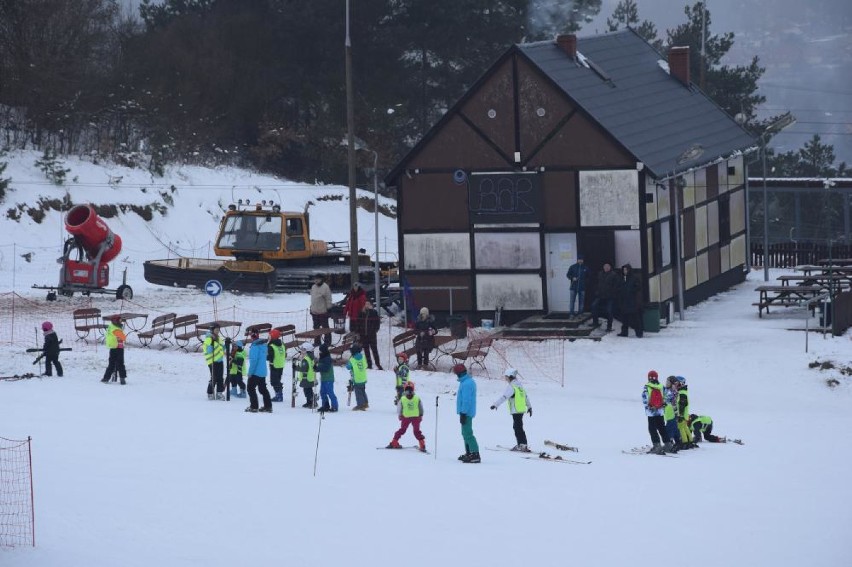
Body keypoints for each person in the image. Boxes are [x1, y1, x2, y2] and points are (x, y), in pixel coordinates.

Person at [490, 368, 532, 452]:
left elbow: (504, 397)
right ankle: (523, 444)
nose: (505, 379)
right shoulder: (519, 385)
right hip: (520, 410)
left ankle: (522, 445)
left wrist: (495, 404)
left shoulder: (512, 386)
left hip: (516, 410)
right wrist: (529, 407)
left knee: (517, 427)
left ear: (510, 377)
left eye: (506, 377)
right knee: (519, 427)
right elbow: (525, 397)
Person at [386, 381, 427, 452]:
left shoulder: (402, 398)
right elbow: (421, 407)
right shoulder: (417, 398)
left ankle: (394, 442)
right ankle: (422, 444)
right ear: (413, 389)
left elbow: (399, 408)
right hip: (416, 417)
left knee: (402, 430)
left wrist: (400, 415)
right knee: (416, 431)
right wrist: (421, 415)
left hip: (406, 417)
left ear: (404, 389)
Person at [454, 363, 480, 463]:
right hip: (465, 412)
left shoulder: (467, 383)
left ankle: (475, 453)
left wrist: (463, 413)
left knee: (468, 433)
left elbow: (466, 400)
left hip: (466, 412)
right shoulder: (465, 382)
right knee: (465, 433)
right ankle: (469, 452)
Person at [642, 370, 669, 454]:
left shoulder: (647, 387)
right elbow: (666, 397)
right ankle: (668, 444)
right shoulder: (662, 386)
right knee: (662, 427)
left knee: (652, 429)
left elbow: (644, 398)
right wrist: (663, 405)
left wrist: (649, 406)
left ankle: (657, 446)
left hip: (651, 412)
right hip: (660, 411)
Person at [245, 331, 272, 413]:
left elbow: (254, 361)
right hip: (263, 372)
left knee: (250, 388)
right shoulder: (264, 346)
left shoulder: (254, 347)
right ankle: (268, 406)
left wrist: (250, 372)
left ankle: (254, 407)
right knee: (263, 389)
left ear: (252, 337)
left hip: (255, 372)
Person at [617, 263, 643, 338]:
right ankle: (624, 332)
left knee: (635, 318)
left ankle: (639, 332)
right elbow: (619, 287)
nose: (624, 271)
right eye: (624, 270)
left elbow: (638, 287)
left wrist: (632, 291)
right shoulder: (622, 278)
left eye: (626, 270)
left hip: (632, 300)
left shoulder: (634, 278)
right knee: (624, 318)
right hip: (624, 300)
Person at [591, 263, 619, 331]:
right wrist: (597, 291)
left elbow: (616, 286)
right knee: (593, 306)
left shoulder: (614, 275)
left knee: (609, 311)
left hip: (610, 296)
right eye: (605, 267)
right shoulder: (600, 274)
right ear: (603, 268)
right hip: (600, 295)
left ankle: (609, 326)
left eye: (607, 267)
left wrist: (612, 293)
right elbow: (597, 283)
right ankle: (595, 322)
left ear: (610, 267)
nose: (606, 268)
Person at [102, 315, 127, 384]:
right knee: (120, 363)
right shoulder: (117, 329)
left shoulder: (110, 327)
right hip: (119, 348)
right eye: (120, 320)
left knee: (111, 363)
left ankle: (106, 378)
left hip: (112, 348)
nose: (121, 322)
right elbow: (123, 338)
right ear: (115, 321)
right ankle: (122, 378)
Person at [309, 273, 333, 346]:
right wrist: (311, 308)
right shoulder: (313, 287)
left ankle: (327, 342)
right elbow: (313, 298)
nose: (316, 280)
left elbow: (328, 299)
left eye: (317, 279)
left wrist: (328, 308)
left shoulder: (325, 287)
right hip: (314, 311)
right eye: (315, 279)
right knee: (316, 328)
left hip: (323, 311)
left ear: (321, 279)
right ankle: (317, 342)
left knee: (325, 328)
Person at [358, 300, 383, 370]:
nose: (367, 305)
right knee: (366, 351)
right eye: (366, 304)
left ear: (371, 305)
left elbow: (377, 323)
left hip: (372, 335)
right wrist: (360, 332)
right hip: (364, 335)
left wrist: (375, 330)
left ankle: (378, 364)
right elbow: (359, 323)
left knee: (374, 350)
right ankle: (369, 364)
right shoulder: (362, 313)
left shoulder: (374, 312)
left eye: (368, 304)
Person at [203, 323, 225, 400]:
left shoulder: (219, 338)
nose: (218, 331)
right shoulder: (208, 339)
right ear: (212, 330)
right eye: (216, 330)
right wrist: (211, 344)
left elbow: (222, 348)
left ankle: (219, 392)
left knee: (220, 378)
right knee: (214, 377)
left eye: (218, 330)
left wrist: (225, 345)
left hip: (220, 361)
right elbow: (209, 351)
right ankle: (210, 392)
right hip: (212, 361)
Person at [316, 343, 338, 413]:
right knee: (322, 392)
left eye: (321, 351)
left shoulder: (327, 358)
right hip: (323, 379)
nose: (320, 352)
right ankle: (325, 405)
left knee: (330, 392)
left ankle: (334, 406)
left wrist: (318, 368)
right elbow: (320, 366)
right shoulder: (322, 357)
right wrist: (316, 368)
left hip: (328, 379)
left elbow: (325, 368)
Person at [346, 342, 369, 410]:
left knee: (358, 392)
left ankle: (360, 404)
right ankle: (365, 403)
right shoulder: (363, 357)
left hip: (357, 379)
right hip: (363, 378)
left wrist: (349, 364)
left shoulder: (352, 359)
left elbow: (348, 367)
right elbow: (366, 365)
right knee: (362, 391)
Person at [675, 376, 696, 448]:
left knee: (681, 428)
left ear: (681, 383)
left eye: (676, 383)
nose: (675, 384)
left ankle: (684, 442)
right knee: (685, 427)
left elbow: (682, 404)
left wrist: (680, 415)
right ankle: (690, 441)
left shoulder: (681, 393)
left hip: (682, 414)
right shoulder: (683, 391)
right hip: (685, 414)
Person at [267, 328, 286, 402]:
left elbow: (270, 356)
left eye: (270, 335)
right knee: (277, 380)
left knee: (274, 381)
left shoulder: (271, 346)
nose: (269, 337)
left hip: (274, 365)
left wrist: (266, 357)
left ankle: (279, 396)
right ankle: (279, 394)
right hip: (281, 365)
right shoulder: (282, 344)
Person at [295, 342, 317, 408]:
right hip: (310, 377)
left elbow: (303, 369)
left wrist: (296, 367)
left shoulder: (306, 359)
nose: (301, 351)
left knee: (308, 392)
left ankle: (312, 402)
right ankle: (309, 402)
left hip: (306, 378)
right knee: (308, 390)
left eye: (303, 350)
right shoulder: (311, 358)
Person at [663, 376, 680, 452]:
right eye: (666, 382)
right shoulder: (671, 390)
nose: (666, 384)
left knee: (669, 429)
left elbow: (667, 400)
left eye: (668, 383)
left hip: (671, 413)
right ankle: (678, 443)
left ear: (673, 384)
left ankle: (669, 444)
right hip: (671, 413)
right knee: (675, 428)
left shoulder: (672, 391)